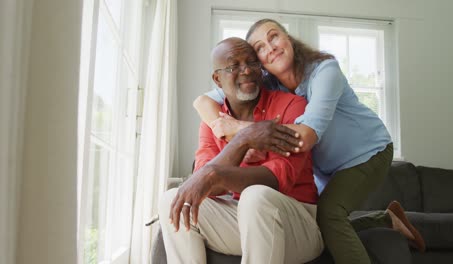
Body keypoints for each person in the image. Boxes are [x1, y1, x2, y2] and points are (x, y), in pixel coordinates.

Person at [193, 19, 425, 264]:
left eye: (274, 37)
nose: (270, 47)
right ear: (259, 65)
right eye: (260, 48)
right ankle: (386, 219)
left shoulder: (325, 71)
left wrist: (242, 131)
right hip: (325, 166)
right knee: (313, 227)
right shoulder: (269, 83)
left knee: (330, 215)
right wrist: (226, 133)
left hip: (367, 152)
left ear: (288, 39)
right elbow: (202, 102)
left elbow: (304, 138)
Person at [158, 37, 324, 264]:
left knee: (255, 196)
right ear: (217, 79)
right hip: (242, 220)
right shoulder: (211, 121)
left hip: (296, 227)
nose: (246, 70)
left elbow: (277, 179)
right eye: (233, 66)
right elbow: (208, 185)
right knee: (173, 199)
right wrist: (243, 140)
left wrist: (215, 174)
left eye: (252, 63)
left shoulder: (291, 105)